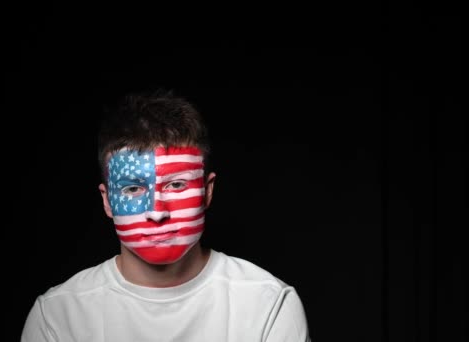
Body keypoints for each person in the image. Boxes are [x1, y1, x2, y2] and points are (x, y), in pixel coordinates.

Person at [21, 89, 311, 341]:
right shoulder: (57, 315)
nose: (157, 212)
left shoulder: (268, 304)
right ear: (107, 201)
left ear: (207, 191)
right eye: (133, 188)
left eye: (176, 184)